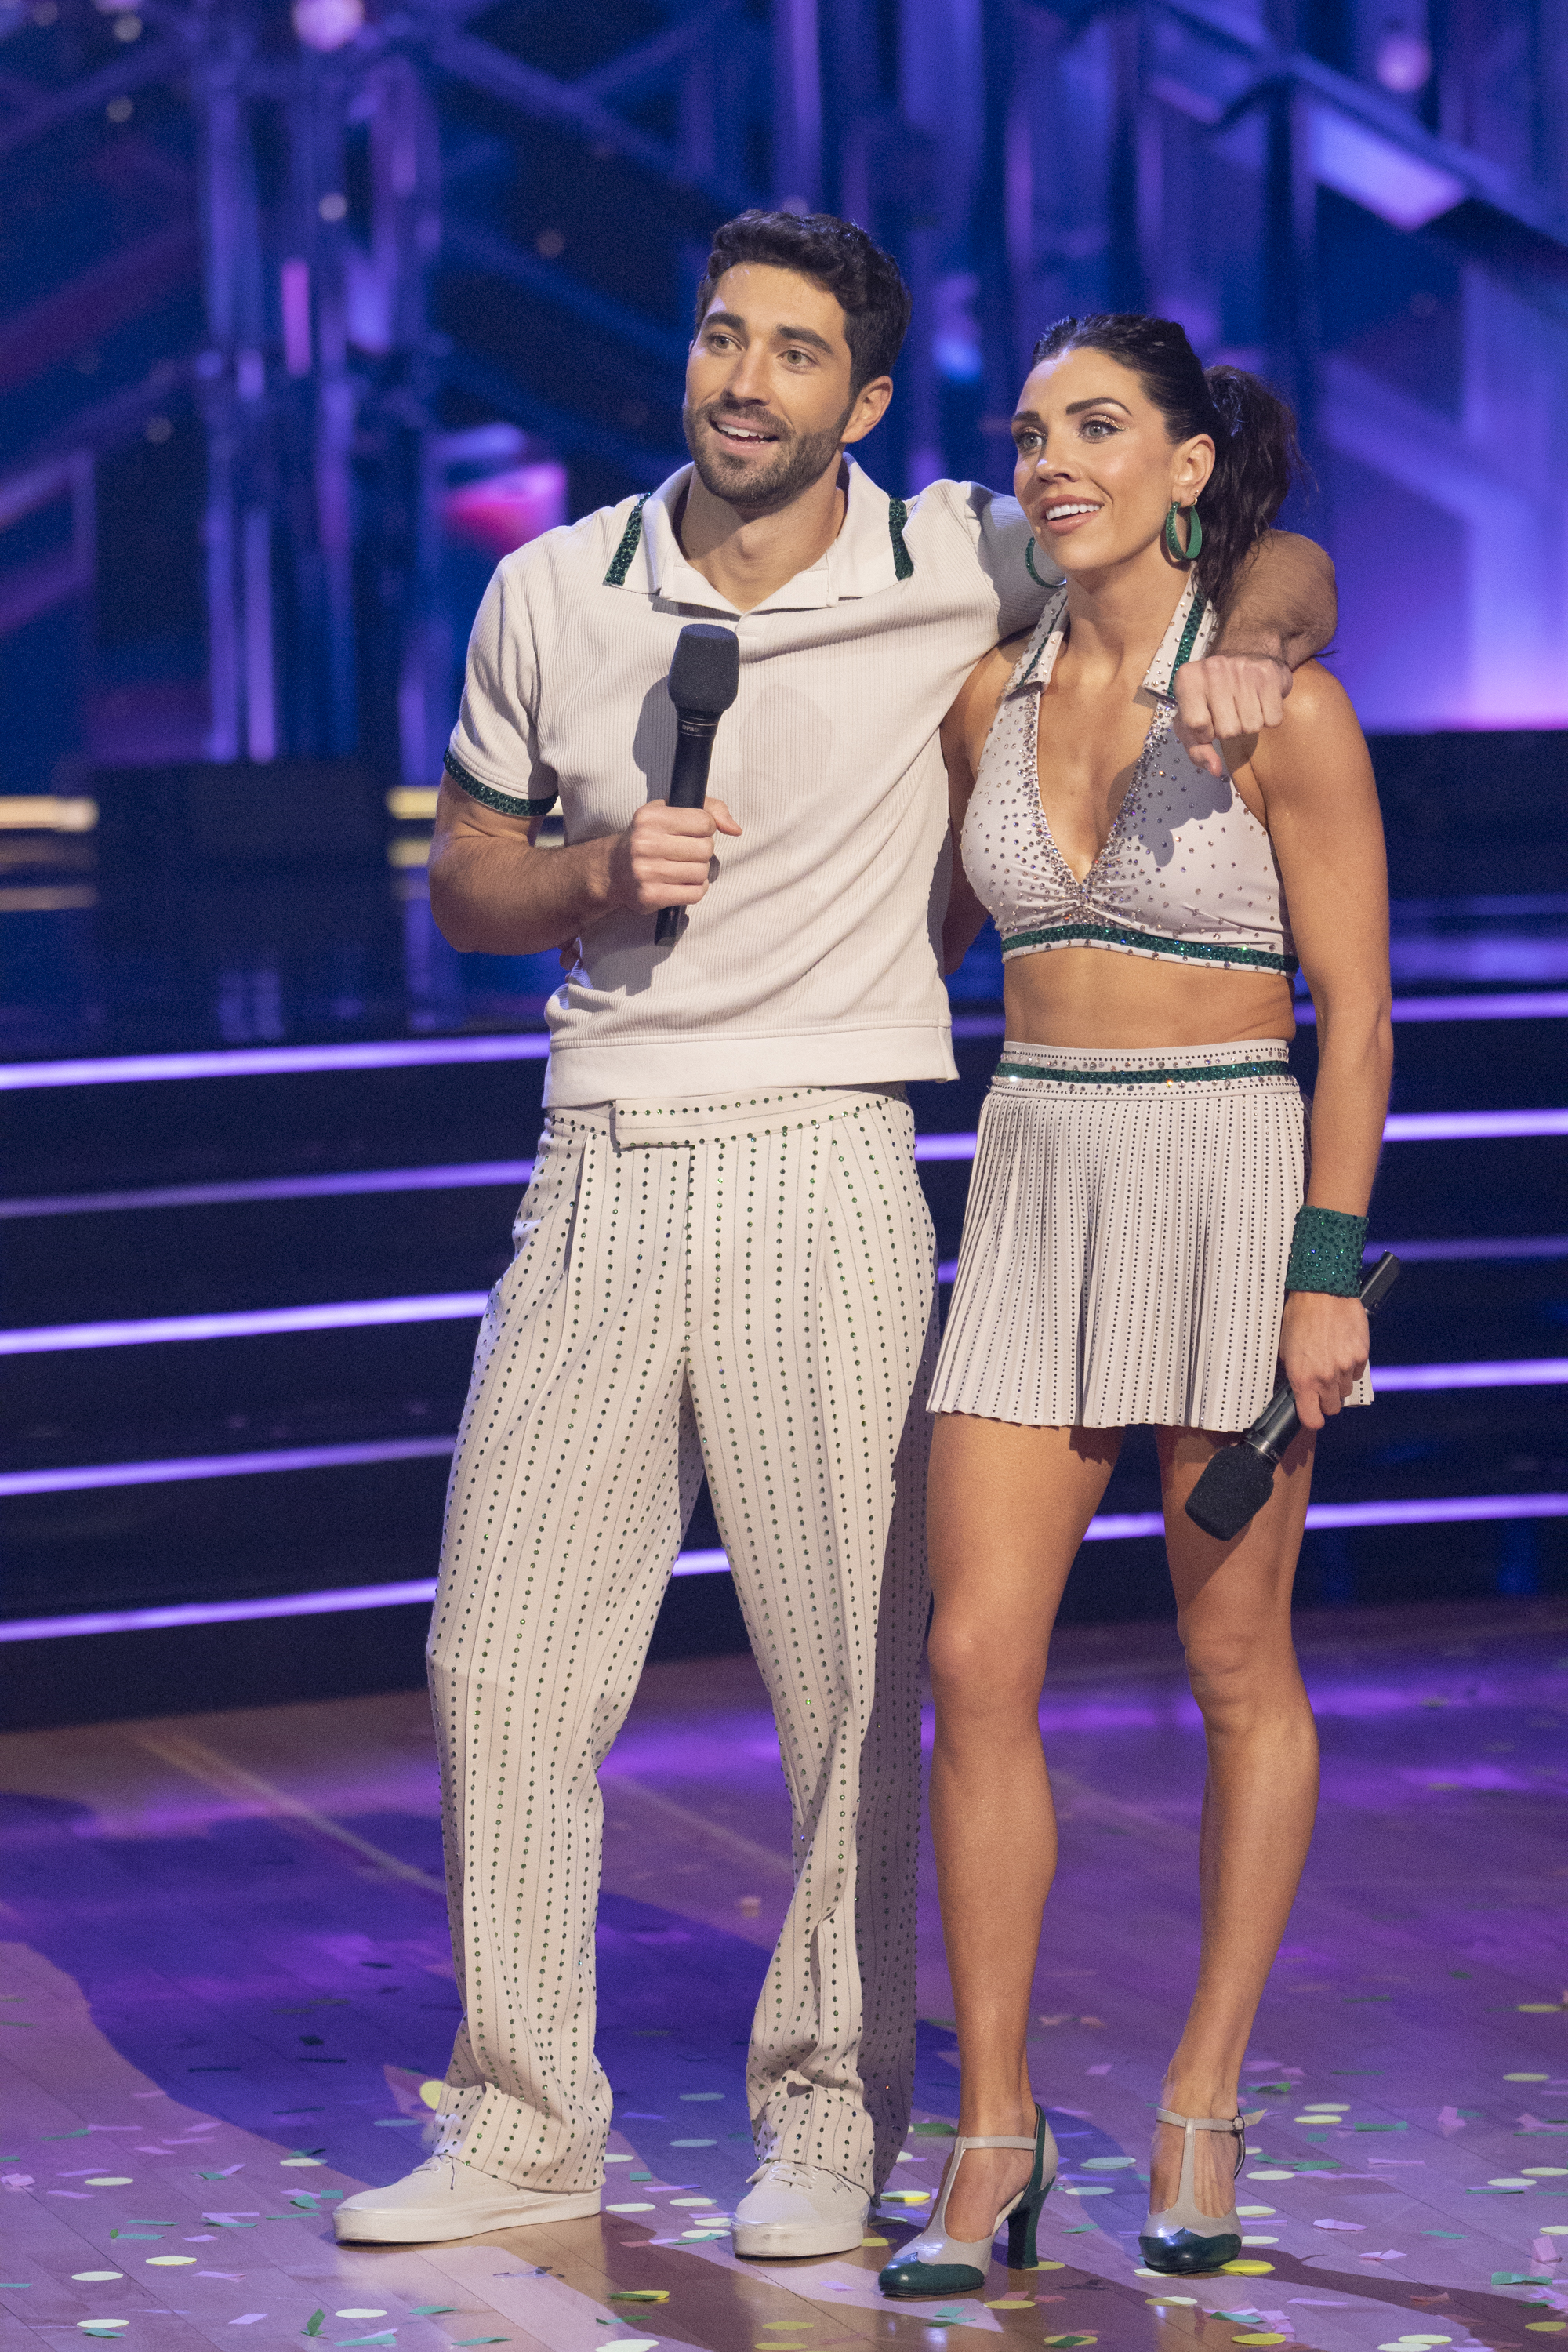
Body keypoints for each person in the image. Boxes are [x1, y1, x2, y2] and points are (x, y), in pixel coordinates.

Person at [331, 224, 1337, 2258]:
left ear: (861, 406)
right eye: (722, 336)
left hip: (824, 1154)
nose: (746, 379)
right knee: (495, 1661)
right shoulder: (553, 588)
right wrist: (587, 867)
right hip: (600, 1151)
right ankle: (521, 2117)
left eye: (797, 355)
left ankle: (829, 2120)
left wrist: (1275, 635)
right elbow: (464, 872)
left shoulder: (956, 554)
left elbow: (1248, 553)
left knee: (859, 1685)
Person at [877, 314, 1392, 2299]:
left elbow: (1355, 1018)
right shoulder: (985, 700)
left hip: (1225, 1185)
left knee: (1233, 1668)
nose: (1052, 459)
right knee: (974, 1659)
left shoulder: (1282, 706)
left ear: (1190, 465)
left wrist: (1324, 1274)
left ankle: (1198, 2102)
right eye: (1031, 431)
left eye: (1098, 426)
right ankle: (990, 2134)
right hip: (1031, 1183)